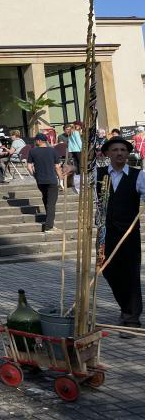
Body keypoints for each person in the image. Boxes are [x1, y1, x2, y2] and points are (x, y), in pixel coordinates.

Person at [97, 136, 145, 337]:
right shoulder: (98, 174)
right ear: (107, 154)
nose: (119, 153)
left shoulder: (138, 175)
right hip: (105, 233)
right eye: (115, 150)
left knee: (131, 274)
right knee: (108, 271)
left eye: (123, 150)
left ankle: (131, 318)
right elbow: (77, 185)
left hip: (129, 233)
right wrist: (71, 173)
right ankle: (126, 308)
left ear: (128, 154)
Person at [27, 134, 64, 232]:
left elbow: (29, 166)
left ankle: (49, 222)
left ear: (39, 141)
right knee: (51, 203)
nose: (35, 142)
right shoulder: (53, 151)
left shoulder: (32, 151)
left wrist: (34, 175)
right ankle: (49, 226)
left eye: (36, 140)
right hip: (51, 180)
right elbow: (57, 167)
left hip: (40, 180)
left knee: (46, 199)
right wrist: (61, 180)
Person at [68, 121, 83, 193]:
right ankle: (80, 175)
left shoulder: (70, 132)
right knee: (80, 163)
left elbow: (70, 142)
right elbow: (78, 142)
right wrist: (82, 149)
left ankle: (77, 174)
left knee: (76, 163)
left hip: (72, 150)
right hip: (78, 149)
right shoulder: (76, 132)